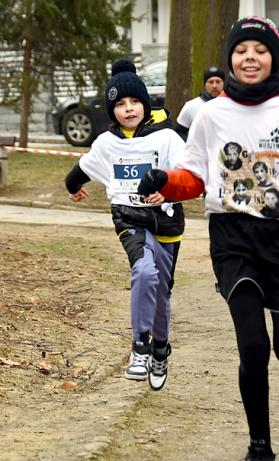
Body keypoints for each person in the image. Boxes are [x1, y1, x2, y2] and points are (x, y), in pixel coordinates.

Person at [137, 16, 279, 460]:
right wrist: (164, 180)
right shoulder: (211, 115)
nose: (249, 57)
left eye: (259, 50)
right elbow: (194, 179)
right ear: (231, 59)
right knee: (253, 345)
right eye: (241, 51)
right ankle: (260, 447)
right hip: (232, 237)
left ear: (273, 58)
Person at [64, 59, 186, 392]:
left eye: (133, 102)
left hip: (166, 222)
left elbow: (188, 175)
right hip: (129, 220)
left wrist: (169, 189)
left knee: (161, 292)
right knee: (143, 273)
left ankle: (160, 349)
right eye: (119, 104)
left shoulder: (166, 138)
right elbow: (82, 168)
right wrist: (73, 187)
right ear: (111, 110)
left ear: (145, 104)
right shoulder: (107, 143)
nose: (128, 109)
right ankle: (139, 347)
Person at [175, 66, 225, 140]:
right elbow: (178, 132)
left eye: (218, 82)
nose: (214, 86)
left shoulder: (231, 106)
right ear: (205, 84)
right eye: (210, 82)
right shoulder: (191, 106)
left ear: (223, 83)